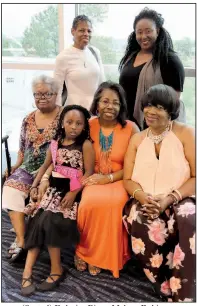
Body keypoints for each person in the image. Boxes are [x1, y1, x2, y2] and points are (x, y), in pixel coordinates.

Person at [123, 84, 195, 302]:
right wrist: (143, 197)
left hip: (180, 196)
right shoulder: (137, 139)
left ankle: (183, 290)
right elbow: (127, 179)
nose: (151, 111)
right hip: (144, 198)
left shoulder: (185, 133)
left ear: (171, 111)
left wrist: (169, 199)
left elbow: (195, 176)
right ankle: (160, 282)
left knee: (189, 218)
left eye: (159, 107)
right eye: (148, 106)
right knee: (140, 219)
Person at [21, 105, 95, 296]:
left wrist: (74, 192)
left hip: (71, 193)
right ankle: (27, 272)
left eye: (78, 123)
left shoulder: (85, 145)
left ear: (84, 126)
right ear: (61, 123)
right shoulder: (56, 142)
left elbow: (88, 173)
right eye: (69, 122)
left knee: (51, 221)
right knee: (37, 221)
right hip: (52, 191)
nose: (73, 127)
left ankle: (56, 270)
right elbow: (47, 165)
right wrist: (35, 185)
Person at [75, 81, 139, 278]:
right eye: (105, 101)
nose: (110, 106)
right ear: (97, 103)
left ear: (121, 106)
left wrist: (109, 178)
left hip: (120, 178)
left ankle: (107, 257)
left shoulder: (131, 128)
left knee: (115, 204)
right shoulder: (88, 125)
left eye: (115, 103)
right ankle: (84, 253)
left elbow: (133, 165)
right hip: (92, 177)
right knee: (88, 204)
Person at [2, 75, 62, 263]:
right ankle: (21, 239)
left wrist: (45, 175)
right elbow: (22, 148)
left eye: (47, 94)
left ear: (56, 94)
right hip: (28, 167)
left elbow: (67, 148)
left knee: (46, 194)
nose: (42, 98)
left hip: (53, 168)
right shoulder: (28, 119)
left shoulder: (64, 117)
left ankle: (37, 237)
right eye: (37, 94)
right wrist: (16, 166)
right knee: (11, 186)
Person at [119, 7, 185, 129]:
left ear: (158, 31)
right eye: (139, 32)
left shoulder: (169, 59)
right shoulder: (131, 56)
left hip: (155, 124)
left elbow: (174, 100)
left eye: (148, 31)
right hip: (128, 122)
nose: (143, 36)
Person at [54, 14, 105, 109]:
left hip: (95, 112)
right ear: (73, 31)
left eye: (89, 31)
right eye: (82, 30)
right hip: (73, 113)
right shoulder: (63, 57)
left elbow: (102, 84)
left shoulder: (95, 53)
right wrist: (57, 116)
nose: (86, 34)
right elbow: (57, 91)